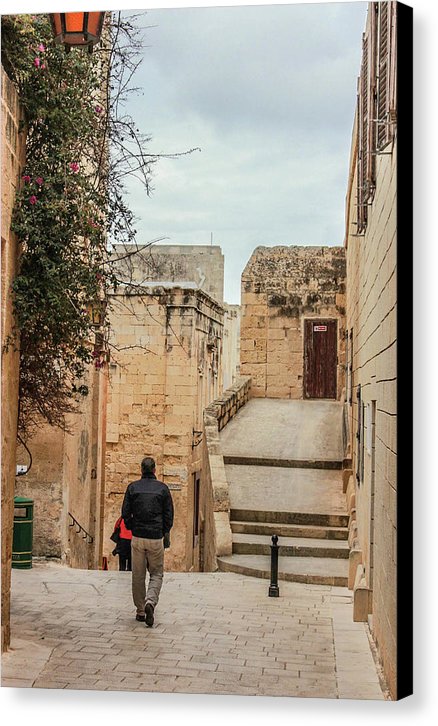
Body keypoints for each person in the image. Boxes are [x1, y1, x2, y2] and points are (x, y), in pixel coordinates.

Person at [121, 456, 174, 627]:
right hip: (155, 537)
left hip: (138, 537)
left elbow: (125, 513)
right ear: (155, 470)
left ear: (141, 470)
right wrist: (164, 531)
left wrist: (132, 527)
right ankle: (150, 601)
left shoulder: (133, 488)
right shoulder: (163, 489)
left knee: (138, 575)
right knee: (156, 573)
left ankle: (141, 611)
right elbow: (169, 515)